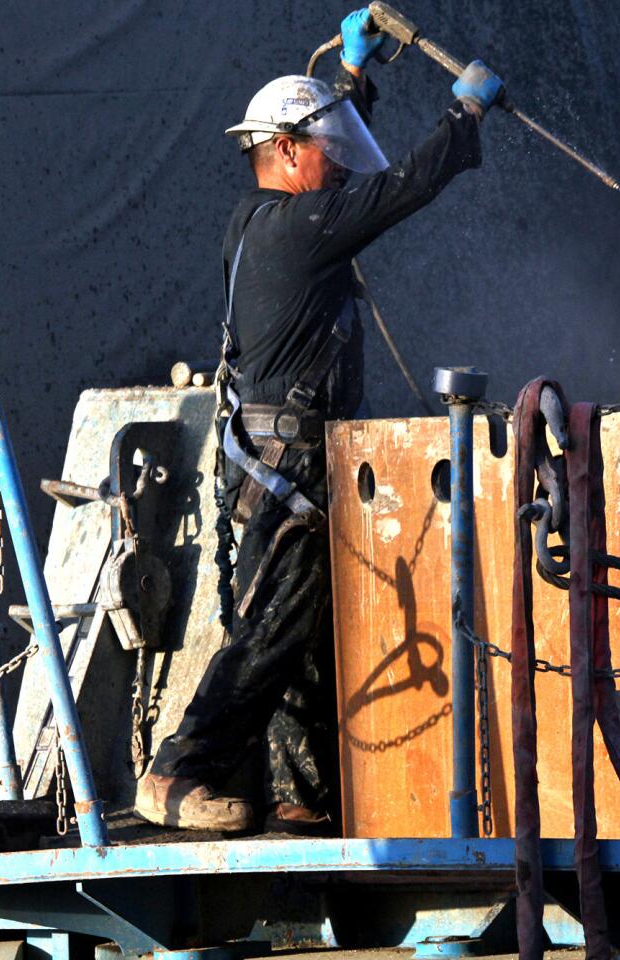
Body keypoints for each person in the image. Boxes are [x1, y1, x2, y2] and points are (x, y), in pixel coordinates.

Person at [134, 9, 504, 834]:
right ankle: (175, 771)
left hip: (278, 463)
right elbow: (399, 187)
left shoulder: (265, 224)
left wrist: (353, 85)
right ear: (289, 151)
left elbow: (350, 181)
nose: (338, 171)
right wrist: (464, 115)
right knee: (273, 630)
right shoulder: (300, 230)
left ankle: (303, 804)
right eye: (326, 155)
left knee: (304, 642)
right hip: (286, 471)